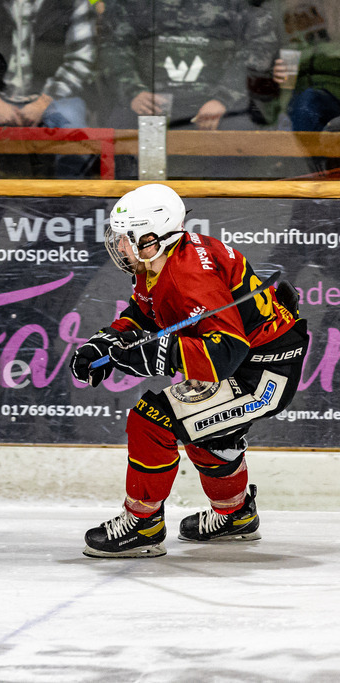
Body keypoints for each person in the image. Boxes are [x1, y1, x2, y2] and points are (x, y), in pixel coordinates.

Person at [70, 184, 309, 558]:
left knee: (152, 421)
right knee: (207, 433)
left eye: (125, 239)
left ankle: (143, 523)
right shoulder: (162, 259)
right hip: (256, 359)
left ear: (152, 238)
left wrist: (150, 356)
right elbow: (145, 312)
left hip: (264, 373)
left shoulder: (188, 275)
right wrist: (106, 341)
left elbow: (227, 351)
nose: (118, 247)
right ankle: (235, 515)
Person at [0, 0, 97, 177]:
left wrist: (44, 101)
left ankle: (70, 200)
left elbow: (81, 60)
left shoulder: (75, 3)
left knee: (73, 127)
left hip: (56, 100)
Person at [100, 0, 277, 133]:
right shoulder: (136, 5)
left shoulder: (236, 5)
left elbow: (260, 44)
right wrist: (134, 92)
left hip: (218, 105)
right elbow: (113, 46)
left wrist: (223, 99)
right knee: (120, 133)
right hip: (150, 105)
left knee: (244, 134)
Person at [272, 1, 340, 132]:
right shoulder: (292, 48)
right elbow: (284, 87)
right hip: (301, 104)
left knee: (307, 101)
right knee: (303, 105)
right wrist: (277, 76)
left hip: (332, 98)